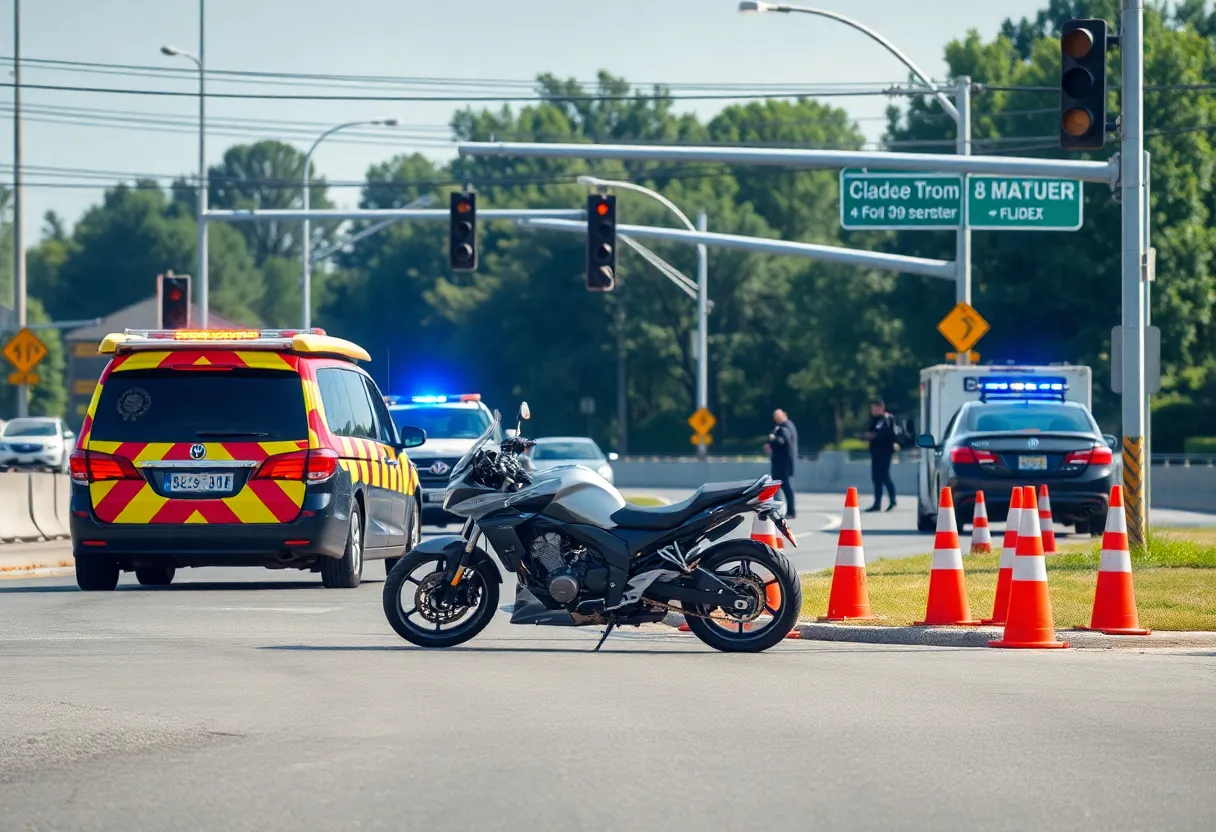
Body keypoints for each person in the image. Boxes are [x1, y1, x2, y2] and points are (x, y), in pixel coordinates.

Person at [862, 399, 899, 513]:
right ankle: (877, 503)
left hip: (884, 451)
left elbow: (879, 433)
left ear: (881, 408)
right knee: (876, 477)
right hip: (876, 451)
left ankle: (892, 500)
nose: (873, 410)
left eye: (875, 408)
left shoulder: (885, 418)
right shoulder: (876, 419)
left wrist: (869, 436)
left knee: (884, 476)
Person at [764, 409, 798, 518]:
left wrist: (773, 439)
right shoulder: (789, 426)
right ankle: (780, 510)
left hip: (782, 464)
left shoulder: (784, 428)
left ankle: (788, 511)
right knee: (779, 488)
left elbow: (782, 441)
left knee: (783, 487)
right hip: (784, 463)